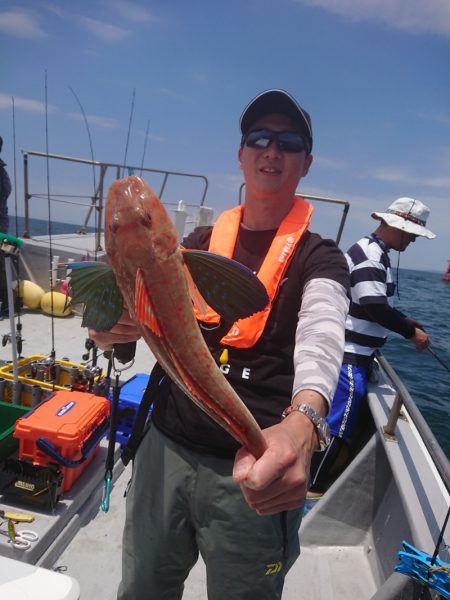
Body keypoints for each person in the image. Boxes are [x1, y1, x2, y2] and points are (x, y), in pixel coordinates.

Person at [89, 89, 350, 600]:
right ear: (241, 154)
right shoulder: (196, 244)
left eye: (288, 142)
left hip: (252, 467)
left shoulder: (322, 259)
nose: (271, 150)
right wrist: (109, 330)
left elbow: (322, 340)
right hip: (165, 449)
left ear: (307, 162)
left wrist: (304, 422)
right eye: (258, 138)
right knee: (141, 586)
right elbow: (134, 325)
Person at [308, 197, 435, 497]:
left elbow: (371, 302)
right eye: (413, 234)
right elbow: (374, 306)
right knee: (339, 423)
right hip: (350, 357)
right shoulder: (370, 255)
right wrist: (410, 333)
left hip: (356, 355)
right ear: (399, 228)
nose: (414, 240)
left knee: (339, 419)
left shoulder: (375, 251)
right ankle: (312, 488)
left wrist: (406, 318)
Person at [0, 136, 12, 315]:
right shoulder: (4, 173)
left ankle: (9, 300)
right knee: (3, 263)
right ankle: (9, 301)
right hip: (3, 225)